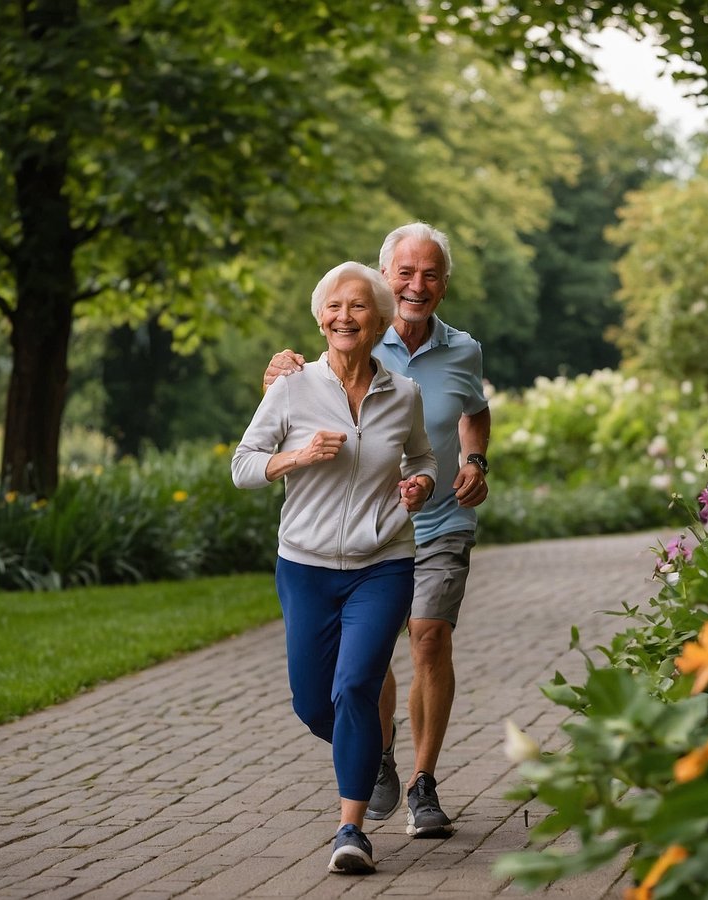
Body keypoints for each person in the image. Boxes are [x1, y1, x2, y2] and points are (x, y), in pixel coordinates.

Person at [263, 222, 490, 840]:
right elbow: (294, 402)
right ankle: (377, 751)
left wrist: (472, 462)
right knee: (367, 661)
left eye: (431, 273)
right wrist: (282, 378)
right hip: (356, 536)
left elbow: (474, 411)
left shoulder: (463, 351)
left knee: (428, 637)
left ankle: (422, 783)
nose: (418, 285)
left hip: (436, 519)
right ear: (386, 279)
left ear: (444, 284)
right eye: (405, 273)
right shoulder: (356, 333)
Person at [233, 261, 437, 875]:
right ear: (320, 319)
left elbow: (422, 455)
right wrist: (295, 457)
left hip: (384, 563)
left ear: (379, 322)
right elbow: (243, 465)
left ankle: (350, 832)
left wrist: (421, 482)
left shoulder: (403, 393)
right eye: (333, 307)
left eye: (357, 307)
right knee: (313, 704)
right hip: (305, 567)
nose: (344, 317)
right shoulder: (292, 388)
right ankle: (371, 753)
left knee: (354, 688)